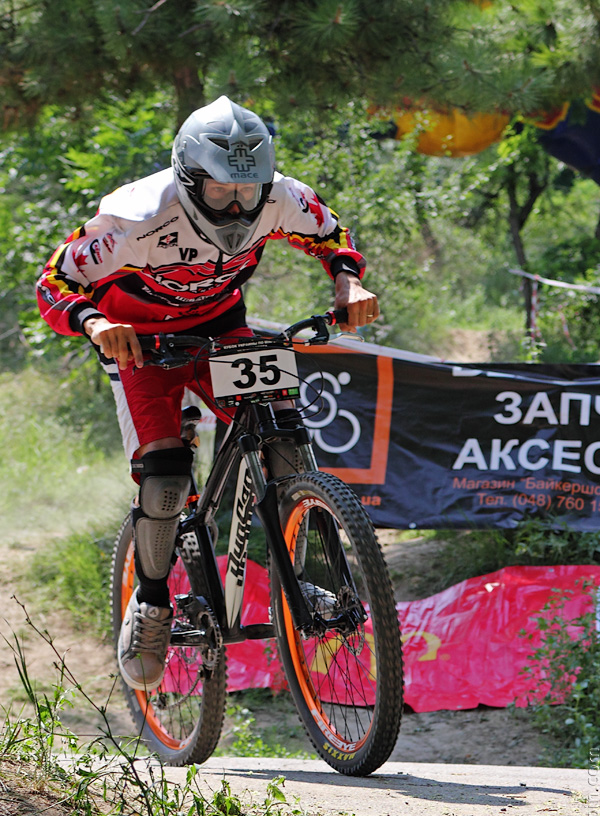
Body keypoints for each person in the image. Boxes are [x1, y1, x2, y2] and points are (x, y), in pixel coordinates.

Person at [37, 95, 378, 693]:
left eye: (249, 191)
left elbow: (331, 233)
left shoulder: (281, 197)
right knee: (167, 477)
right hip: (141, 344)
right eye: (221, 191)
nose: (239, 204)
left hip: (224, 331)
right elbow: (55, 279)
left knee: (287, 445)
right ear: (188, 178)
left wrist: (347, 282)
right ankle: (150, 604)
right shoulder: (137, 217)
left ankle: (293, 579)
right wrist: (95, 324)